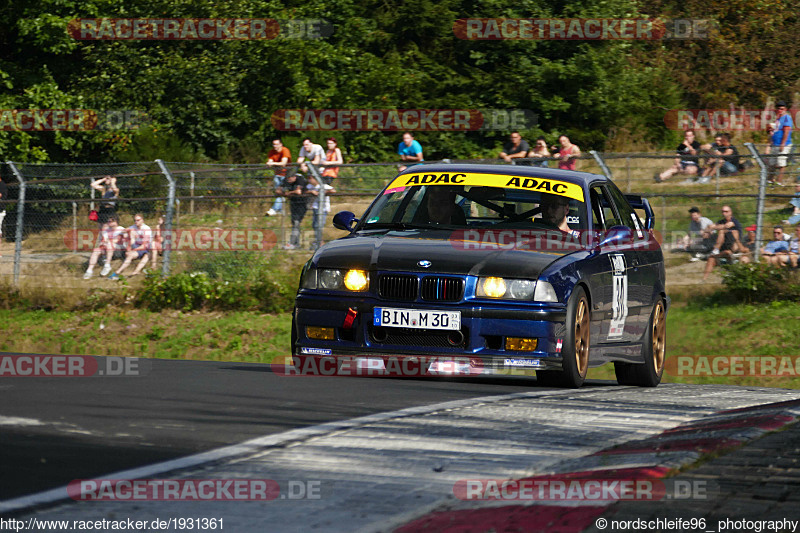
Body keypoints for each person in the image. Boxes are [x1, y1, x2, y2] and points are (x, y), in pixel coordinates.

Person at [703, 205, 745, 280]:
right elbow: (709, 227)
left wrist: (715, 227)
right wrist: (709, 229)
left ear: (730, 212)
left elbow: (726, 226)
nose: (724, 213)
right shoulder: (721, 221)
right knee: (711, 259)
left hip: (734, 246)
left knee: (722, 231)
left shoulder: (734, 221)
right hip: (724, 247)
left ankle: (716, 250)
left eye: (726, 211)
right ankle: (704, 279)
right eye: (722, 211)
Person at [109, 214, 151, 279]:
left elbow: (144, 245)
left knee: (131, 255)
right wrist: (128, 231)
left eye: (138, 220)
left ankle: (119, 272)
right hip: (135, 245)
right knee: (128, 233)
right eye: (135, 220)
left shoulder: (146, 229)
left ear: (142, 220)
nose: (136, 222)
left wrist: (132, 251)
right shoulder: (134, 227)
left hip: (143, 248)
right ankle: (117, 273)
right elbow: (123, 231)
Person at [277, 164, 308, 249]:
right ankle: (296, 243)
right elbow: (278, 190)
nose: (288, 180)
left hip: (303, 203)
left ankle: (293, 243)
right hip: (293, 203)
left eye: (290, 178)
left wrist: (288, 193)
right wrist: (284, 193)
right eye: (287, 178)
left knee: (296, 222)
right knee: (295, 223)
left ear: (294, 177)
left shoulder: (300, 179)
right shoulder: (286, 180)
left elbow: (298, 191)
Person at [766, 101, 793, 185]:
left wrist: (783, 144)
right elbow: (774, 132)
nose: (780, 110)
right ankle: (769, 180)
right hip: (775, 143)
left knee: (781, 163)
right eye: (778, 109)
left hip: (783, 144)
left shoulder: (786, 118)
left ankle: (779, 182)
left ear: (785, 109)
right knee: (772, 163)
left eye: (782, 109)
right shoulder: (777, 119)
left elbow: (786, 131)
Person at [306, 173, 335, 249]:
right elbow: (304, 191)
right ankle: (318, 241)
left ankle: (320, 242)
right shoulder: (310, 186)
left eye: (310, 178)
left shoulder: (323, 186)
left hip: (323, 208)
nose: (309, 180)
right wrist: (311, 192)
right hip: (315, 207)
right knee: (314, 225)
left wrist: (321, 193)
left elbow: (333, 191)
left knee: (319, 225)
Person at [266, 139, 291, 216]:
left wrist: (273, 163)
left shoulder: (285, 150)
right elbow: (269, 162)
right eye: (274, 144)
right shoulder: (272, 152)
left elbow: (283, 163)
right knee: (279, 192)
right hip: (277, 174)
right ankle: (281, 211)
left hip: (286, 174)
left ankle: (274, 209)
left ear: (281, 144)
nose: (275, 146)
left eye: (277, 144)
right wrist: (271, 163)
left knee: (280, 192)